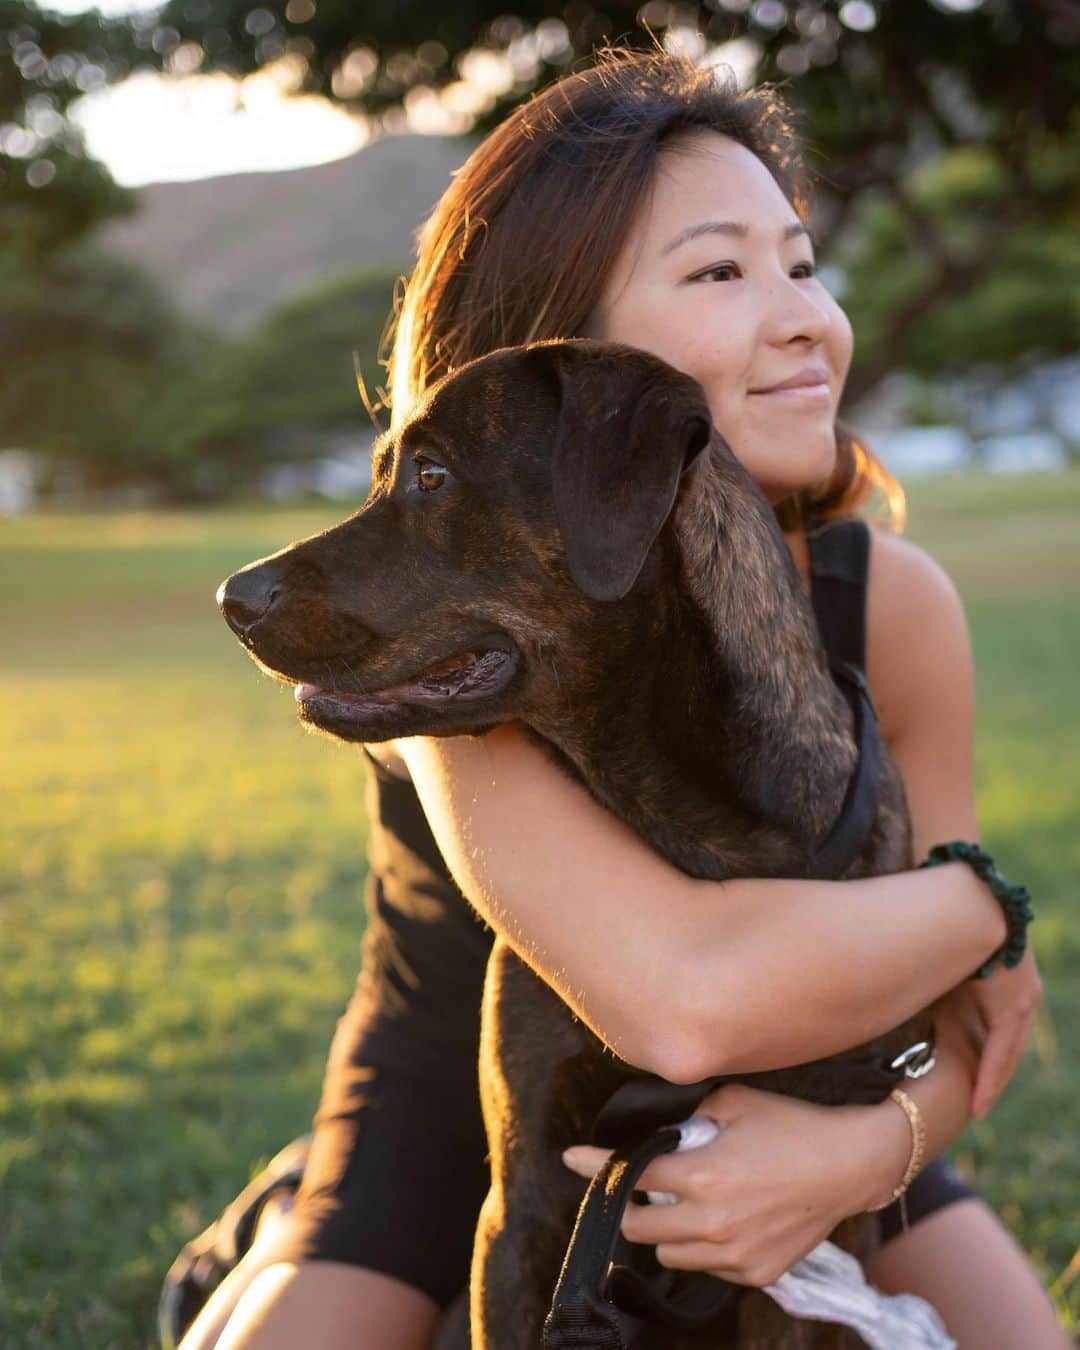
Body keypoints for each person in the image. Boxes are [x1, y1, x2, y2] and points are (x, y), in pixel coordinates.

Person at [176, 43, 1063, 1350]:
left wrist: (868, 1148)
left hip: (820, 1110)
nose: (806, 313)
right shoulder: (470, 639)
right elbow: (683, 996)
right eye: (719, 271)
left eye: (803, 263)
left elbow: (957, 1021)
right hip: (470, 1136)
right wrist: (982, 904)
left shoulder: (894, 606)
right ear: (563, 359)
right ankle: (272, 1221)